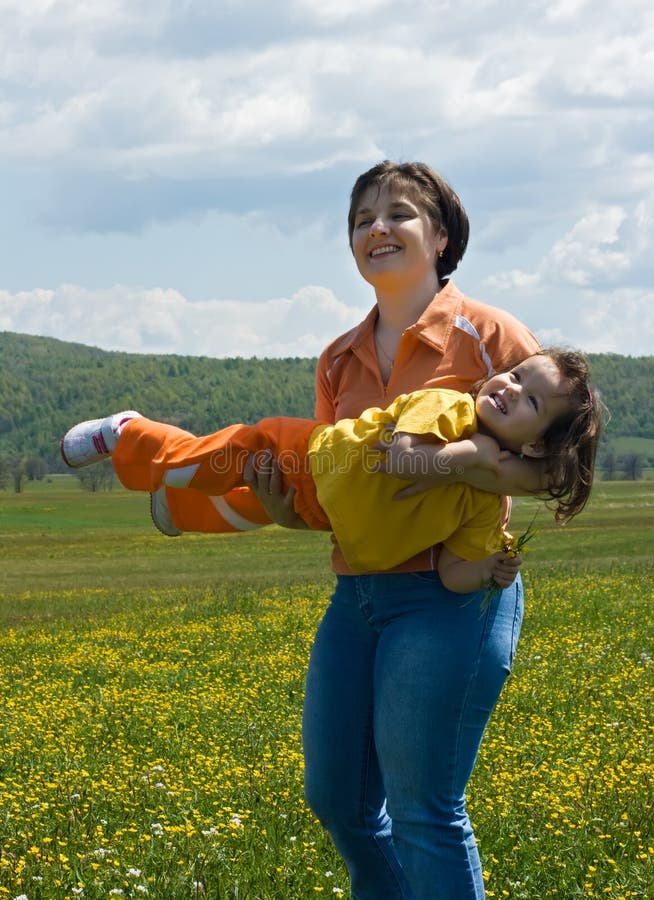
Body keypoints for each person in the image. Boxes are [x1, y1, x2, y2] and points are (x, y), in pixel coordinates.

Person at [63, 160, 562, 900]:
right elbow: (342, 498)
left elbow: (553, 462)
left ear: (443, 235)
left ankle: (139, 441)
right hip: (359, 590)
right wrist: (288, 504)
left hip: (449, 592)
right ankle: (186, 493)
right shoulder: (336, 358)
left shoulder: (491, 336)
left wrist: (448, 462)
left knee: (423, 808)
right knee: (340, 800)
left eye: (399, 214)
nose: (377, 229)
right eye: (361, 220)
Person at [60, 349, 601, 594]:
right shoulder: (449, 409)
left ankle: (174, 509)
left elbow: (451, 572)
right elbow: (401, 457)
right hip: (307, 454)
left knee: (257, 509)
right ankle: (130, 433)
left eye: (530, 399)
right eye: (513, 373)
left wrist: (488, 572)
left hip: (328, 511)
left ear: (537, 447)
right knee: (206, 465)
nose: (507, 387)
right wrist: (472, 458)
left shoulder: (484, 504)